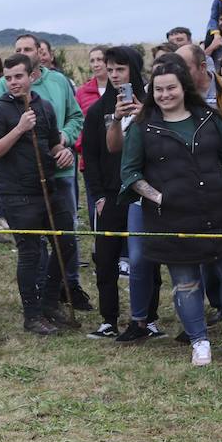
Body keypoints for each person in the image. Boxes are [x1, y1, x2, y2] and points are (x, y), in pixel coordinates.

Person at [119, 60, 222, 366]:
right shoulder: (143, 128)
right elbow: (129, 174)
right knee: (186, 283)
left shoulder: (210, 118)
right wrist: (159, 197)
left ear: (184, 87)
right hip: (171, 218)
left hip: (219, 213)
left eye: (171, 87)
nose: (165, 94)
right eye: (158, 89)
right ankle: (200, 342)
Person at [0, 35, 90, 310]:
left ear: (40, 52)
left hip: (59, 173)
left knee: (64, 236)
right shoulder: (4, 88)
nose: (14, 81)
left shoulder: (58, 82)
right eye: (18, 49)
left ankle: (67, 287)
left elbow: (75, 118)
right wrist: (20, 131)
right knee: (33, 245)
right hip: (24, 180)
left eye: (27, 49)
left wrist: (65, 142)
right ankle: (38, 299)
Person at [0, 54, 75, 335]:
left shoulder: (44, 107)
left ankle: (49, 304)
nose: (12, 83)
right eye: (7, 78)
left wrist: (64, 153)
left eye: (18, 77)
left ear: (32, 76)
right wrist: (19, 128)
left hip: (48, 188)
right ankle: (32, 316)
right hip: (16, 194)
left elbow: (53, 144)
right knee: (31, 253)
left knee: (66, 245)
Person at [83, 46, 145, 339]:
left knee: (144, 258)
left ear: (133, 69)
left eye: (121, 69)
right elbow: (91, 158)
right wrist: (97, 195)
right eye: (110, 70)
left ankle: (148, 318)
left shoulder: (151, 106)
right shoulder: (97, 111)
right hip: (109, 194)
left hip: (144, 194)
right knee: (105, 260)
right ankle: (109, 319)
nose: (115, 75)